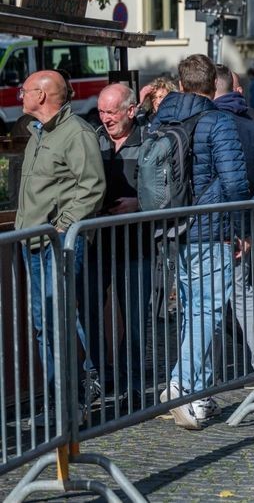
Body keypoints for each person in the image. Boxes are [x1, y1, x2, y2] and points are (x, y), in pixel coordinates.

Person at [155, 54, 250, 429]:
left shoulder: (161, 119)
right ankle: (184, 384)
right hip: (210, 229)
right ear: (213, 86)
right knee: (207, 309)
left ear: (180, 85)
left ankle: (199, 392)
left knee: (193, 309)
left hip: (171, 228)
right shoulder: (218, 121)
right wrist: (240, 227)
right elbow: (235, 183)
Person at [16, 71, 105, 403]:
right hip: (32, 242)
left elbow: (92, 186)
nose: (18, 96)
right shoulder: (38, 133)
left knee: (59, 321)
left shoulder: (76, 133)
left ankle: (75, 393)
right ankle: (61, 399)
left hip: (56, 243)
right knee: (45, 323)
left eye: (24, 91)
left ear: (41, 96)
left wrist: (64, 225)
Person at [91, 83, 152, 401]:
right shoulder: (94, 138)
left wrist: (140, 203)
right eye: (101, 111)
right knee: (88, 312)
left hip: (135, 243)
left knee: (134, 317)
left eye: (111, 112)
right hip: (96, 242)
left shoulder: (150, 139)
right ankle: (98, 379)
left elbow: (167, 188)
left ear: (131, 110)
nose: (105, 118)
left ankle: (133, 385)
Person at [214, 64, 254, 374]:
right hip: (243, 221)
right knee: (242, 294)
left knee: (213, 300)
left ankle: (207, 377)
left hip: (218, 225)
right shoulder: (250, 120)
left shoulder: (209, 121)